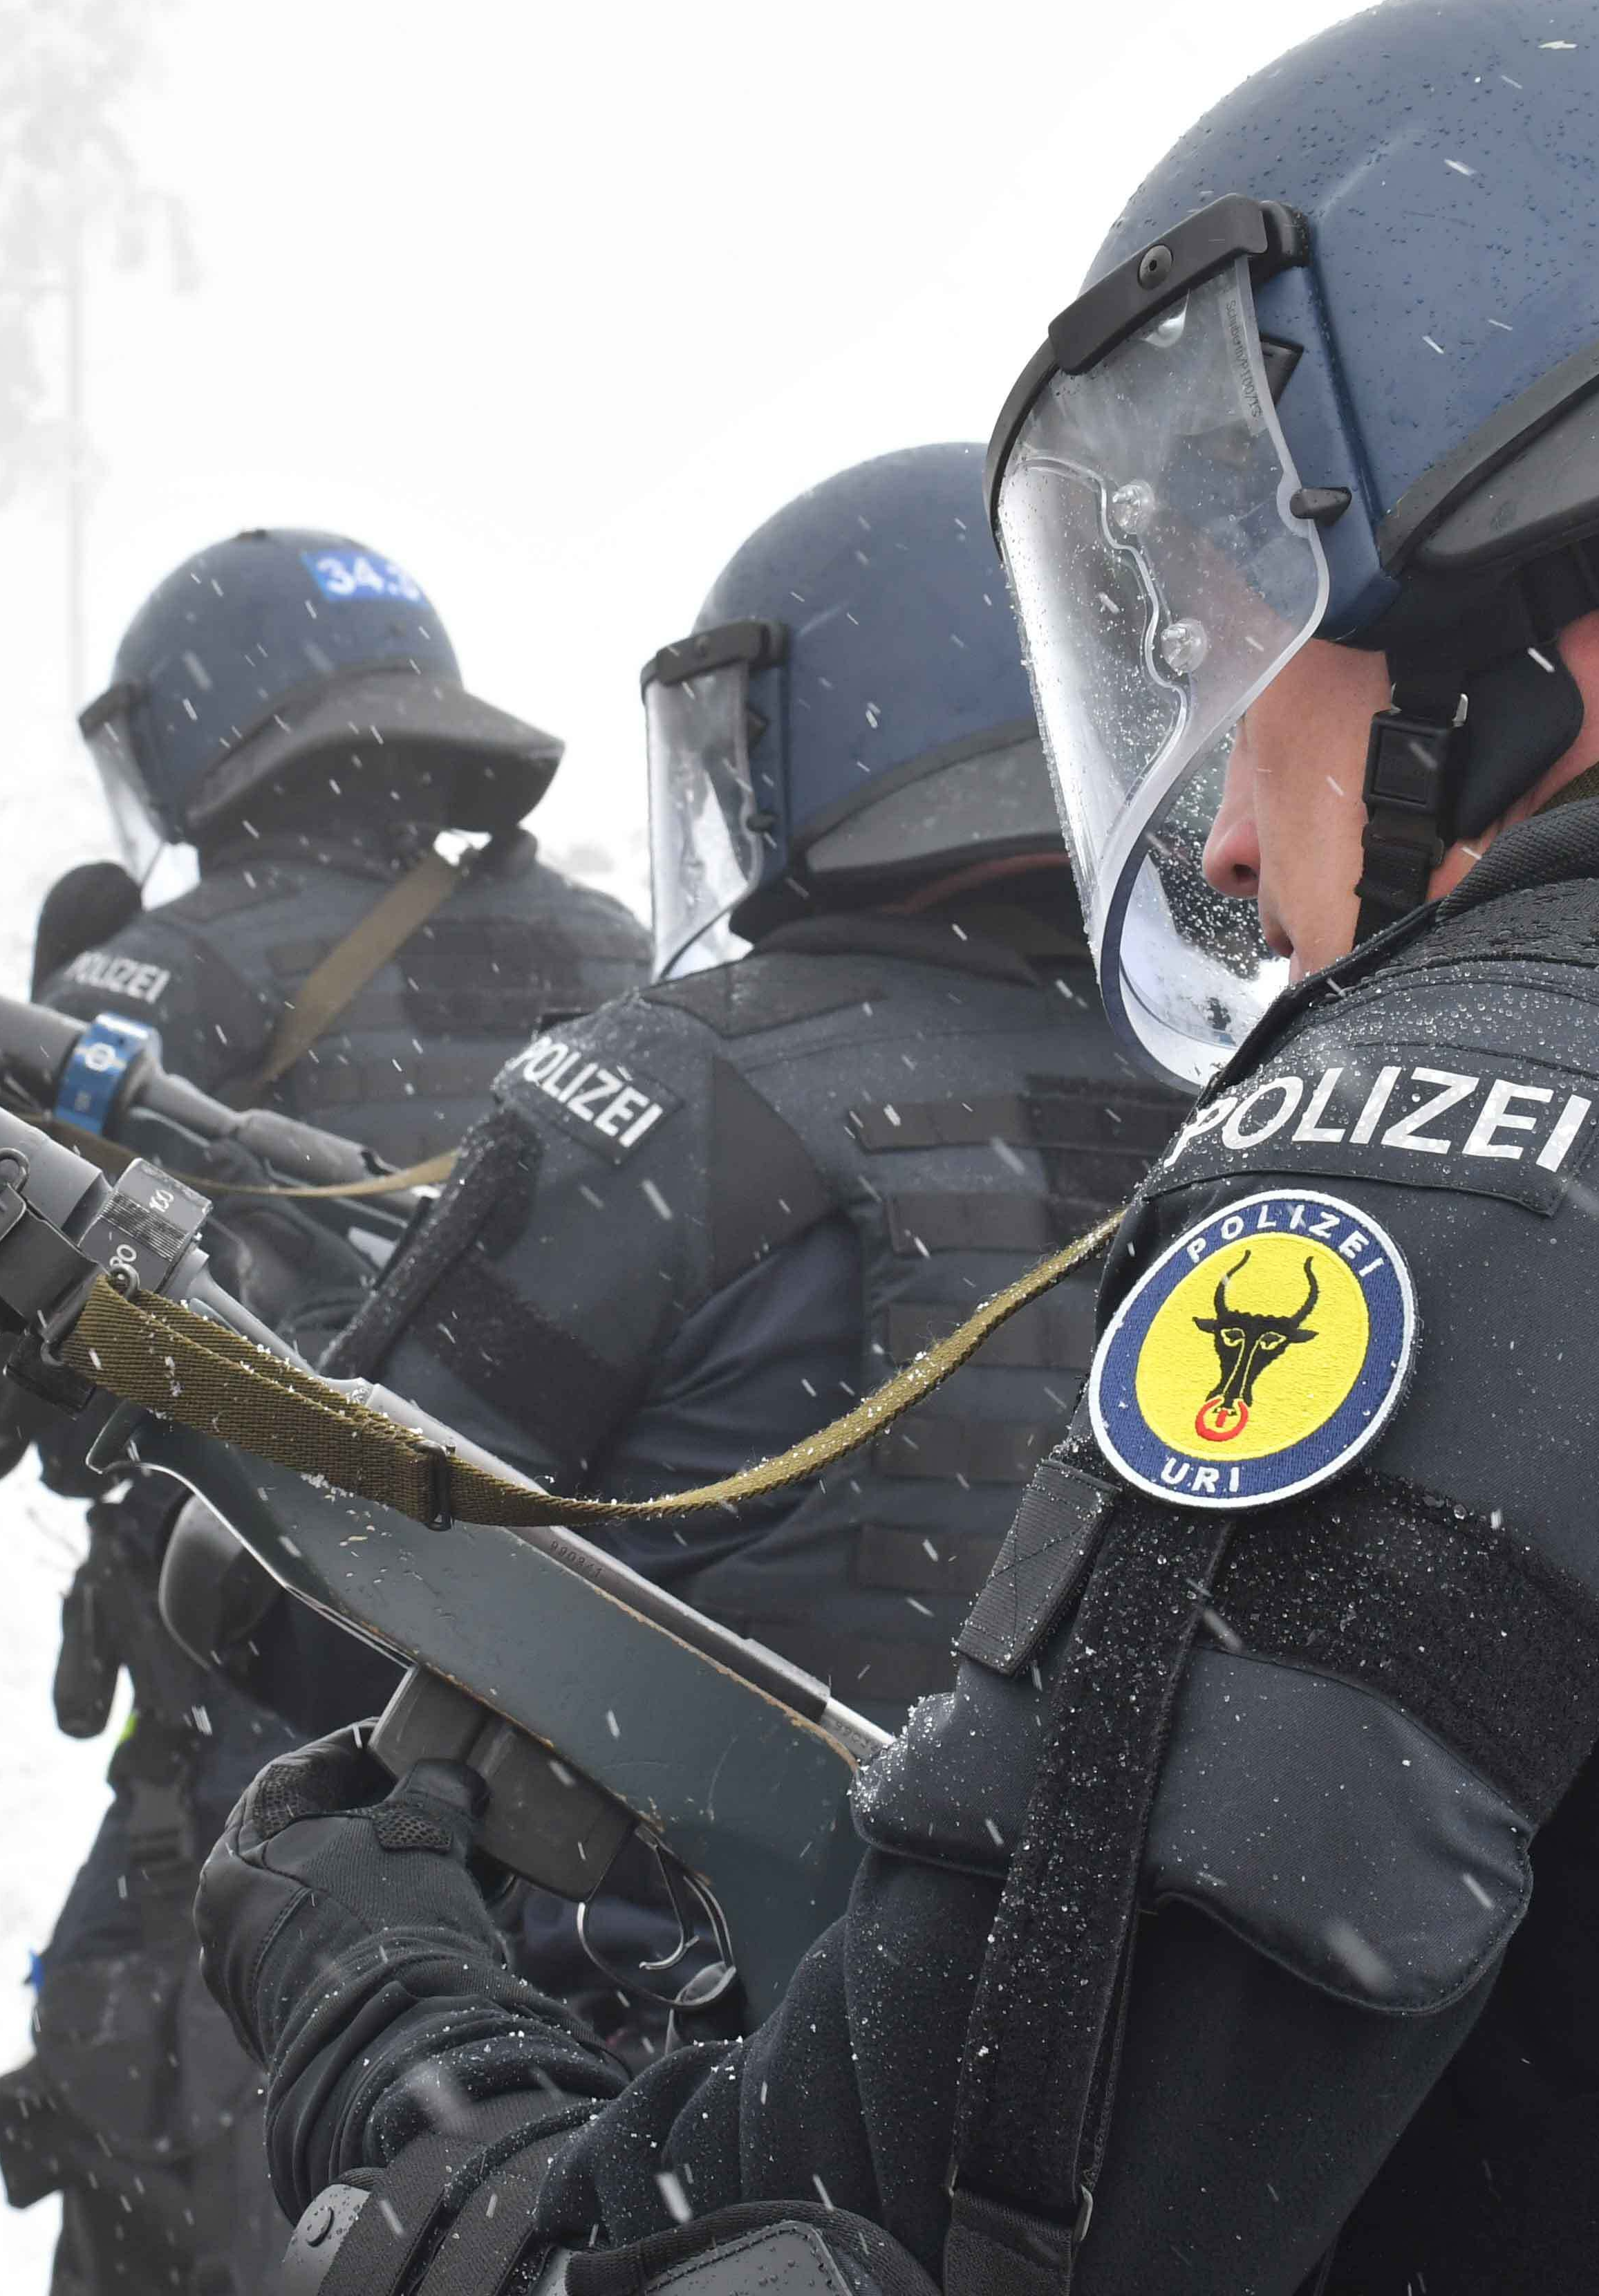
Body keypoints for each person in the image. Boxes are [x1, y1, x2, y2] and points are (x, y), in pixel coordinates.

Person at [193, 0, 1599, 2296]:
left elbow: (901, 2245)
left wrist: (399, 2025)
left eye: (1220, 633)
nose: (1202, 843)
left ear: (1454, 563)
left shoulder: (1495, 1163)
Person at [0, 527, 648, 2296]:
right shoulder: (625, 963)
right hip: (588, 1767)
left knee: (186, 2175)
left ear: (201, 730)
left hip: (277, 1769)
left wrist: (27, 1050)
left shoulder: (153, 983)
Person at [323, 442, 1191, 1737]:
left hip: (629, 1933)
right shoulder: (1259, 1082)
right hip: (1067, 1926)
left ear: (811, 724)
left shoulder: (682, 1083)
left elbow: (335, 1562)